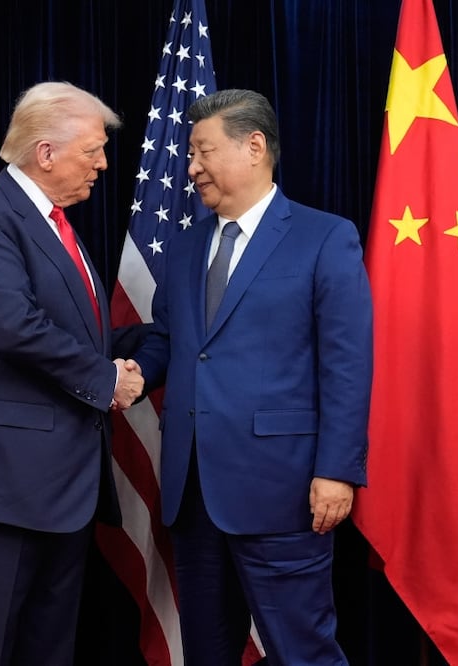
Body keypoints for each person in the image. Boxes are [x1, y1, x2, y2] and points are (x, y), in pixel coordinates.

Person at [130, 89, 373, 665]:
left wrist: (336, 471)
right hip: (192, 494)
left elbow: (346, 365)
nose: (190, 168)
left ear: (254, 146)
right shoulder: (187, 247)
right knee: (207, 652)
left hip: (283, 492)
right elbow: (170, 338)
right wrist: (133, 374)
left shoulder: (324, 238)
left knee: (302, 651)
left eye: (202, 151)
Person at [0, 81, 144, 666]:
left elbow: (78, 334)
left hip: (63, 483)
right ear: (46, 153)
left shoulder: (58, 226)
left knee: (49, 648)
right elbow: (13, 325)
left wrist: (151, 350)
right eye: (92, 150)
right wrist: (107, 378)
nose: (102, 163)